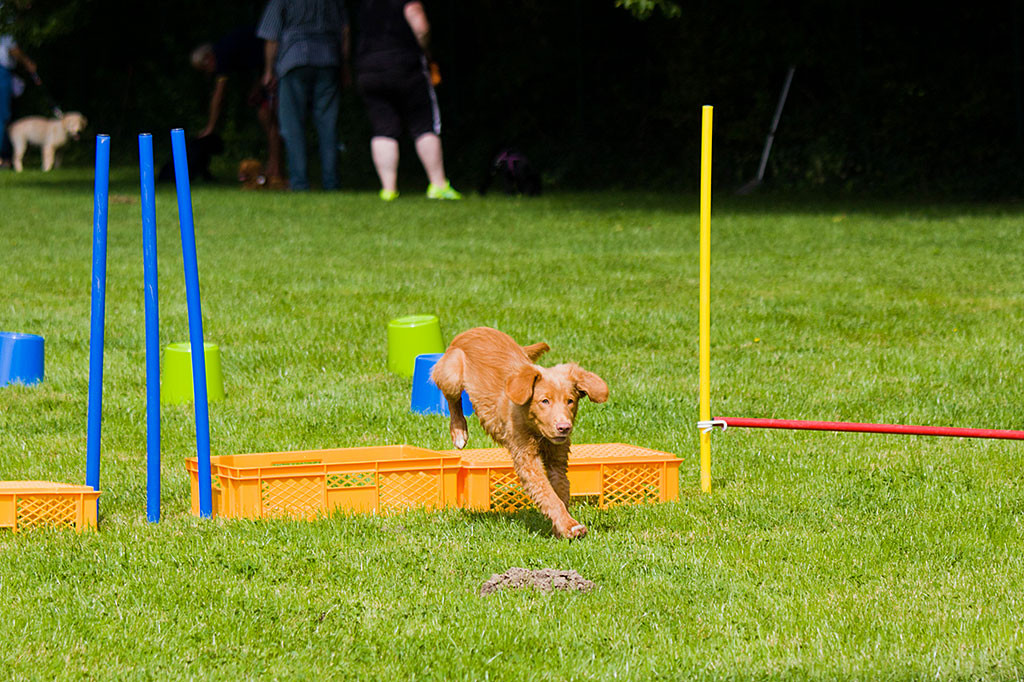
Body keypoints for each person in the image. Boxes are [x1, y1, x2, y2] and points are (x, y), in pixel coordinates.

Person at [355, 0, 460, 201]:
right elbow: (420, 25)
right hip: (405, 65)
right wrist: (426, 50)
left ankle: (388, 190)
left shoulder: (366, 4)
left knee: (383, 128)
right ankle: (438, 185)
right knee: (424, 124)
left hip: (369, 69)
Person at [257, 0, 350, 192]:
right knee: (328, 124)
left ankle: (299, 183)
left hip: (294, 60)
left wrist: (268, 70)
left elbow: (271, 36)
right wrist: (344, 65)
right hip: (328, 59)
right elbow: (345, 31)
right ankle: (331, 183)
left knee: (292, 126)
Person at [191, 26, 284, 187]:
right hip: (273, 66)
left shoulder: (221, 54)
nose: (208, 73)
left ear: (208, 58)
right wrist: (257, 87)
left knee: (270, 118)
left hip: (281, 63)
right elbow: (260, 63)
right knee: (266, 117)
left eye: (204, 68)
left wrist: (210, 127)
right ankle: (274, 168)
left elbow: (218, 96)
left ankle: (275, 171)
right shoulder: (229, 48)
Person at [0, 32, 38, 168]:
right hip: (2, 71)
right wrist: (28, 63)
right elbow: (12, 48)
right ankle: (3, 158)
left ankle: (5, 158)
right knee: (2, 116)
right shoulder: (6, 21)